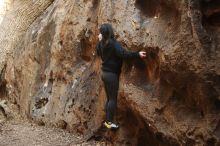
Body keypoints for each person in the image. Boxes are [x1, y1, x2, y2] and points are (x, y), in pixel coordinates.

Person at [96, 23, 146, 129]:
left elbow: (97, 52)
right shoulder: (113, 44)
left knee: (109, 99)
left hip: (104, 73)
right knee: (112, 99)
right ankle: (109, 123)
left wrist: (99, 40)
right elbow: (124, 54)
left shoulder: (101, 44)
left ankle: (107, 121)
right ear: (110, 32)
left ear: (102, 34)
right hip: (111, 75)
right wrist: (137, 54)